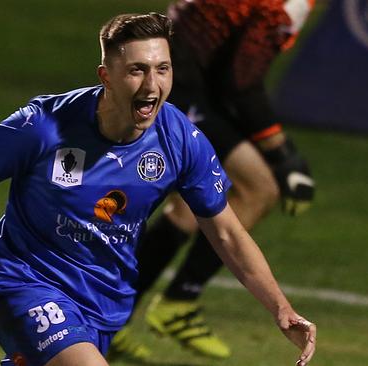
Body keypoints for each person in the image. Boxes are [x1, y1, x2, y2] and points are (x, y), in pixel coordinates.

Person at [0, 12, 316, 366]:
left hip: (104, 307)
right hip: (24, 285)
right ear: (107, 76)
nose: (153, 84)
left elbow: (226, 233)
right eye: (137, 70)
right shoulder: (43, 127)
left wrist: (281, 309)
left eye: (163, 69)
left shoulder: (181, 140)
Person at [109, 0, 316, 361]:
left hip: (182, 78)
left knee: (189, 209)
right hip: (180, 83)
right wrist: (285, 156)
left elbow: (228, 71)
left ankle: (113, 319)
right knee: (259, 187)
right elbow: (242, 82)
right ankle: (178, 301)